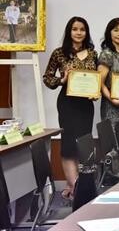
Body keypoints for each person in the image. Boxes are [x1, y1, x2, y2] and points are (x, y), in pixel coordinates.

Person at [43, 16, 97, 200]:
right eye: (75, 29)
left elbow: (96, 78)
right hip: (67, 103)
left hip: (85, 105)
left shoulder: (92, 53)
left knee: (83, 144)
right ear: (69, 31)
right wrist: (62, 80)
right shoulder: (59, 53)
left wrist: (95, 91)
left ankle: (80, 183)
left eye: (82, 29)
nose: (79, 32)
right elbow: (47, 78)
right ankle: (74, 186)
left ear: (86, 32)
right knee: (68, 144)